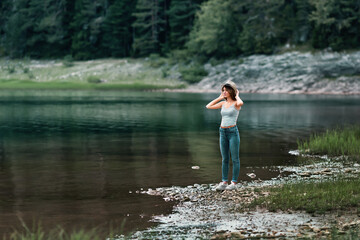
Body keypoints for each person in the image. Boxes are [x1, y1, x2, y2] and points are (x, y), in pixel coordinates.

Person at [206, 81, 244, 191]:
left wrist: (237, 95)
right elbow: (208, 106)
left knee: (235, 159)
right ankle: (224, 182)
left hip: (233, 132)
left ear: (232, 91)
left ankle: (234, 183)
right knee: (225, 158)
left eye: (226, 90)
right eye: (223, 90)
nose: (224, 92)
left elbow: (241, 103)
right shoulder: (223, 104)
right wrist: (219, 97)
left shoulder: (236, 103)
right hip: (222, 132)